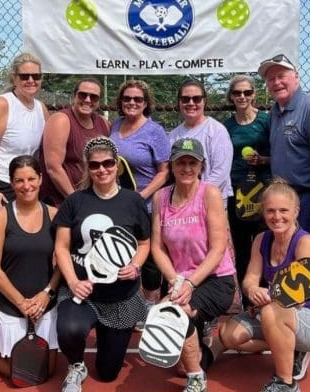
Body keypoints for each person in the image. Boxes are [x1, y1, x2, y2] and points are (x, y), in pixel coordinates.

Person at [218, 180, 310, 392]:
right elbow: (249, 280)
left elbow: (299, 295)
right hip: (276, 313)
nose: (277, 216)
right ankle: (290, 346)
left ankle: (286, 383)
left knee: (273, 311)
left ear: (296, 212)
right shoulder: (261, 240)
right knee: (228, 335)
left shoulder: (305, 243)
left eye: (284, 210)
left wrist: (267, 298)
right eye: (271, 210)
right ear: (263, 212)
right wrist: (253, 290)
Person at [54, 136, 150, 392]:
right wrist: (73, 283)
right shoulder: (75, 202)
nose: (102, 169)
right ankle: (75, 365)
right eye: (95, 165)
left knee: (107, 374)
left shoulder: (134, 201)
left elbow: (144, 243)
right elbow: (61, 248)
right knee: (69, 330)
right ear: (88, 168)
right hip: (82, 293)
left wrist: (136, 266)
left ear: (116, 165)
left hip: (121, 297)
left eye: (108, 163)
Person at [150, 138, 236, 392]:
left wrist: (189, 282)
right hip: (180, 280)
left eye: (192, 163)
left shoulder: (209, 193)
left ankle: (197, 378)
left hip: (215, 279)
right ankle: (200, 336)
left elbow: (219, 247)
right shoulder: (160, 198)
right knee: (176, 358)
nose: (186, 168)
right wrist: (176, 280)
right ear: (172, 166)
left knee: (178, 313)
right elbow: (157, 247)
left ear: (201, 166)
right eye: (181, 162)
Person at [0, 155, 60, 378]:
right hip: (9, 305)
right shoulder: (1, 217)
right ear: (12, 183)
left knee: (48, 371)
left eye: (31, 179)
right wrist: (21, 302)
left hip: (43, 306)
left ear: (40, 179)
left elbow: (62, 263)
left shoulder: (54, 215)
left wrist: (46, 294)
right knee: (20, 374)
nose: (26, 186)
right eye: (19, 181)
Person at [109, 79, 170, 308]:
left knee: (150, 257)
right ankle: (125, 301)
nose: (132, 102)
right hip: (118, 203)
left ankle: (150, 304)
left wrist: (141, 196)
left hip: (146, 204)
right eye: (127, 98)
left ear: (146, 103)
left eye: (137, 99)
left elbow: (164, 172)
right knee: (122, 249)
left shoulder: (155, 131)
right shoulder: (115, 125)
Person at [0, 52, 50, 228]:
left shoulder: (41, 108)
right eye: (24, 76)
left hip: (24, 185)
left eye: (36, 76)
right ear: (14, 78)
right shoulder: (3, 104)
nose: (31, 80)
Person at [259, 54, 310, 249]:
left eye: (281, 76)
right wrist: (264, 160)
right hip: (283, 198)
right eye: (271, 79)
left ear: (296, 76)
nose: (276, 82)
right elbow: (291, 153)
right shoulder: (275, 111)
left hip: (308, 198)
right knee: (282, 255)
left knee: (306, 258)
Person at [223, 74, 271, 291]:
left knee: (266, 245)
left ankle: (269, 297)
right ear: (231, 97)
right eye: (237, 93)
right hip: (238, 194)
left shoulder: (267, 121)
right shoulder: (226, 126)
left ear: (254, 94)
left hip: (264, 191)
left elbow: (280, 153)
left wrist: (264, 160)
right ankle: (248, 302)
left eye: (247, 92)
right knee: (242, 249)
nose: (242, 96)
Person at [39, 78, 110, 206]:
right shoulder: (61, 120)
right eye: (83, 95)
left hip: (94, 198)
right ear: (74, 96)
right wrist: (75, 201)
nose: (88, 100)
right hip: (62, 201)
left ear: (99, 101)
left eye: (93, 97)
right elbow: (53, 167)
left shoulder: (103, 123)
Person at [168, 80, 233, 208]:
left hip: (211, 202)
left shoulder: (216, 130)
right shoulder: (173, 135)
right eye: (185, 99)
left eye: (196, 99)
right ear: (179, 102)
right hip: (182, 202)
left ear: (204, 101)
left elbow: (221, 172)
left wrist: (194, 196)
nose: (191, 103)